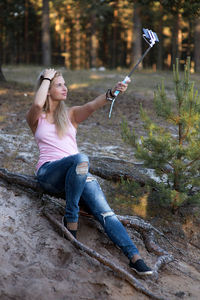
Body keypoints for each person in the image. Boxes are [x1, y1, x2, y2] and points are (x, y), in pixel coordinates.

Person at [26, 68, 153, 276]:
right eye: (59, 85)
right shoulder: (35, 117)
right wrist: (47, 77)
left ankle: (134, 257)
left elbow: (92, 105)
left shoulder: (71, 114)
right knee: (81, 158)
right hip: (49, 173)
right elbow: (38, 103)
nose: (65, 88)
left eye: (65, 84)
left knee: (106, 212)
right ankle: (71, 216)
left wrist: (112, 92)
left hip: (78, 172)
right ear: (47, 89)